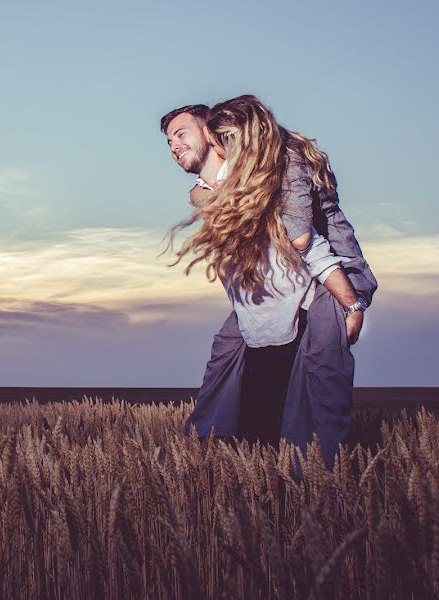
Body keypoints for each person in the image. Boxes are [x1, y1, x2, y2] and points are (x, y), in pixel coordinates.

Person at [160, 97, 377, 472]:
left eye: (180, 134)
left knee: (322, 385)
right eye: (168, 142)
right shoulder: (208, 190)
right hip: (273, 295)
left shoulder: (272, 169)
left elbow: (306, 240)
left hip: (324, 279)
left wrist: (353, 304)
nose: (173, 146)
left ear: (211, 134)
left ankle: (325, 483)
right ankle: (195, 463)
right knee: (229, 361)